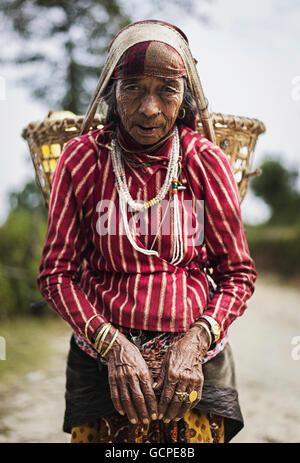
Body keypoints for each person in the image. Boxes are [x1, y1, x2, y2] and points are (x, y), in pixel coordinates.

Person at [37, 20, 257, 444]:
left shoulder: (206, 161)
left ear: (184, 98)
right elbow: (55, 275)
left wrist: (194, 343)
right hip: (101, 360)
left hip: (196, 363)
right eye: (133, 87)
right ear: (112, 92)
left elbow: (238, 274)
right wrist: (114, 347)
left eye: (166, 90)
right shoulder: (81, 160)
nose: (149, 108)